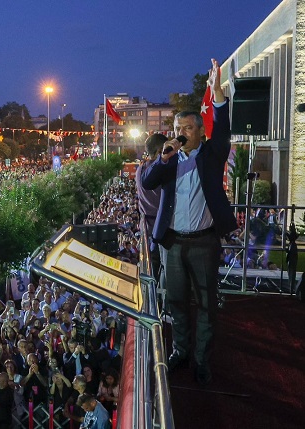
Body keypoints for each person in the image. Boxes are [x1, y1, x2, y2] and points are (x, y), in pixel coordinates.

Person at [142, 58, 237, 385]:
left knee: (207, 305)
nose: (180, 134)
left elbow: (223, 128)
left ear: (199, 131)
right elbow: (148, 183)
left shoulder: (212, 155)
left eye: (186, 129)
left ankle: (201, 360)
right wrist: (161, 158)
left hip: (204, 241)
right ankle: (180, 351)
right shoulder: (168, 160)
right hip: (173, 242)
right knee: (177, 302)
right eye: (177, 129)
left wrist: (217, 91)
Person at [136, 133, 167, 280]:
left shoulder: (140, 168)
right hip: (161, 228)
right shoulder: (160, 170)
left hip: (146, 228)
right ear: (161, 150)